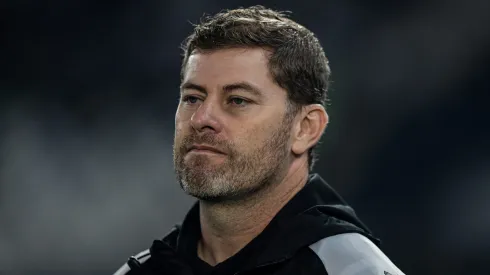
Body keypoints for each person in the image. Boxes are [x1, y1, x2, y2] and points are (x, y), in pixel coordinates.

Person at [114, 5, 404, 275]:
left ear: (305, 128)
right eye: (192, 98)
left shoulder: (353, 269)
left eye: (237, 100)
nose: (201, 119)